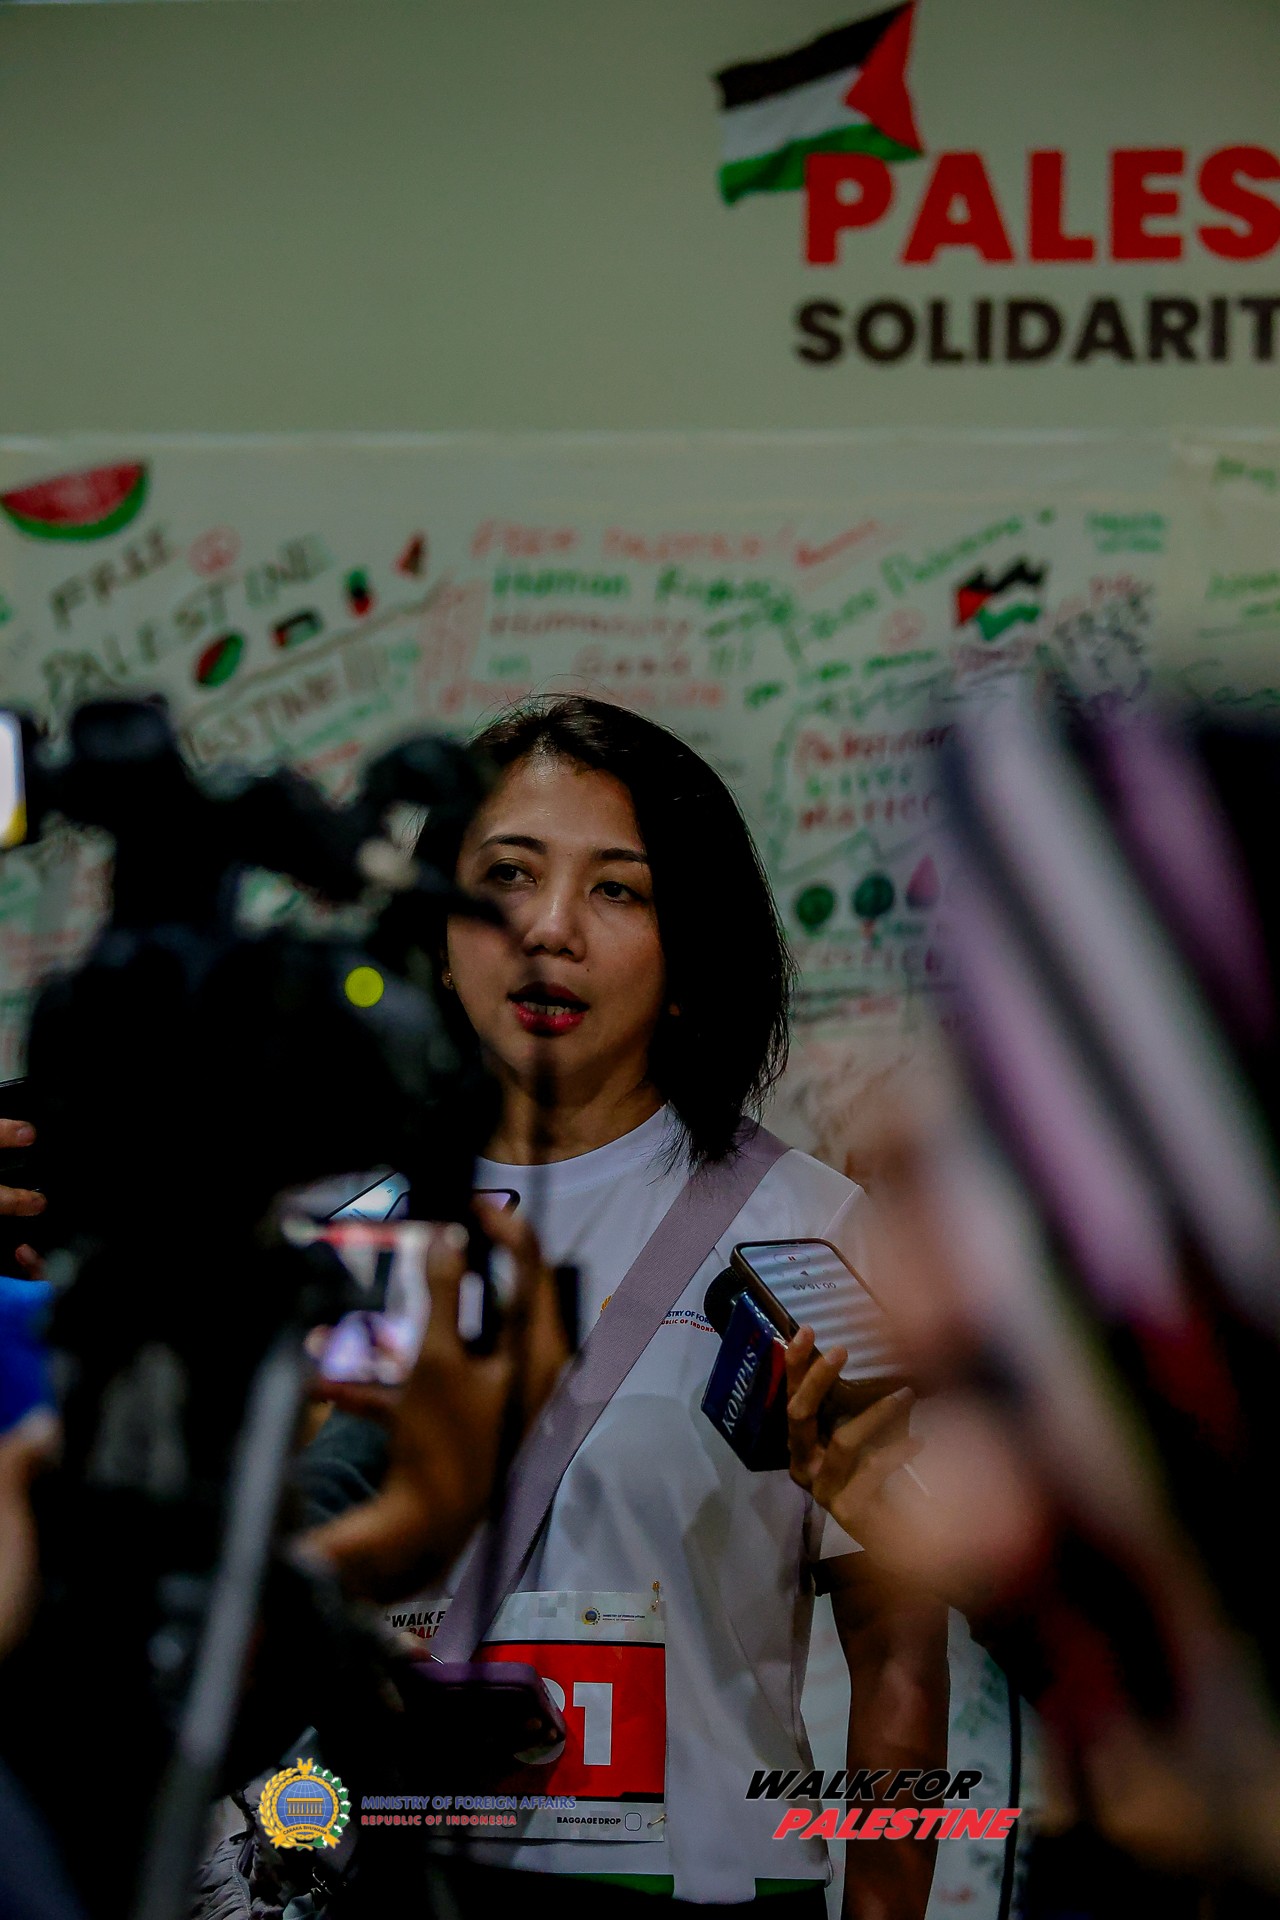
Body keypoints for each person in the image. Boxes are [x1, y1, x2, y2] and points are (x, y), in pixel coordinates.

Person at [402, 694, 948, 1920]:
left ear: (691, 957)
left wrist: (886, 1907)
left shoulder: (813, 1230)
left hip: (701, 1890)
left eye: (617, 890)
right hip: (382, 1875)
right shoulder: (340, 1227)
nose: (548, 928)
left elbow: (897, 1647)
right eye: (507, 875)